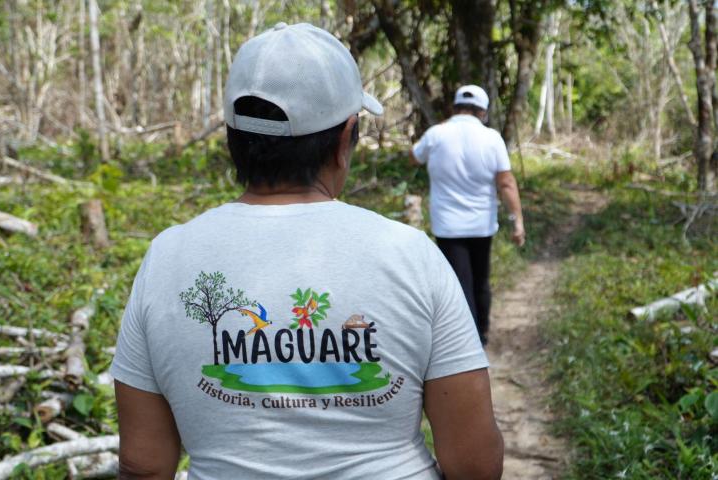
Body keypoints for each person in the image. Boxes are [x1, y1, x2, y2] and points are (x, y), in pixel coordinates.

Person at [112, 23, 503, 480]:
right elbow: (474, 464)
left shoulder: (167, 257)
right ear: (344, 140)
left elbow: (143, 465)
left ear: (233, 140)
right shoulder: (411, 255)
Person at [410, 85, 525, 346]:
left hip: (447, 226)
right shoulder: (492, 138)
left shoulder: (436, 134)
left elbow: (414, 157)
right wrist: (517, 221)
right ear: (483, 112)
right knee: (481, 280)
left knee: (458, 282)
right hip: (482, 224)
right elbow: (506, 183)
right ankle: (481, 334)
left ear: (454, 107)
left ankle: (466, 341)